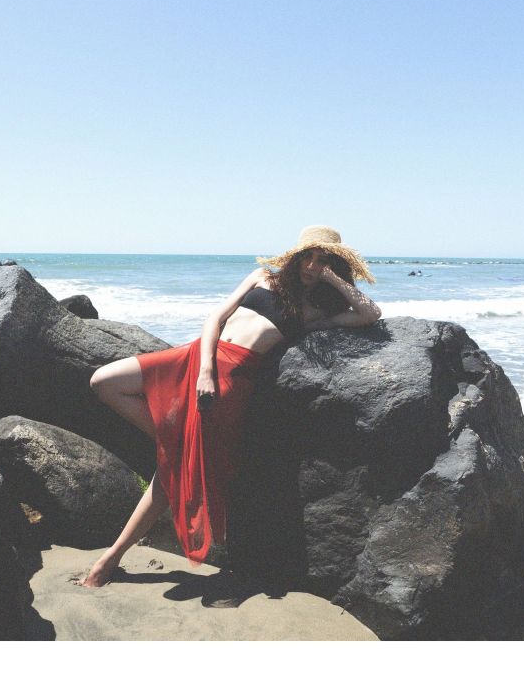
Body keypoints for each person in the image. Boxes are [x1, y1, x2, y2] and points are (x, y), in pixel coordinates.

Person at [81, 225, 381, 587]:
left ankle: (109, 560)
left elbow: (370, 313)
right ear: (296, 256)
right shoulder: (262, 277)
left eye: (323, 261)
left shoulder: (314, 312)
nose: (312, 266)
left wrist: (332, 278)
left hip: (233, 378)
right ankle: (178, 445)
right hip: (198, 357)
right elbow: (215, 318)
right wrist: (205, 370)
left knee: (171, 469)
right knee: (104, 381)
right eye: (308, 257)